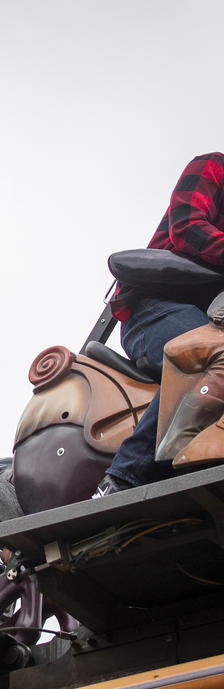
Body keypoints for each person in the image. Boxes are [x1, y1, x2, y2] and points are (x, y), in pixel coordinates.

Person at [95, 152, 224, 496]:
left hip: (210, 318)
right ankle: (122, 479)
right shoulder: (214, 166)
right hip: (153, 309)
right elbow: (187, 228)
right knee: (211, 352)